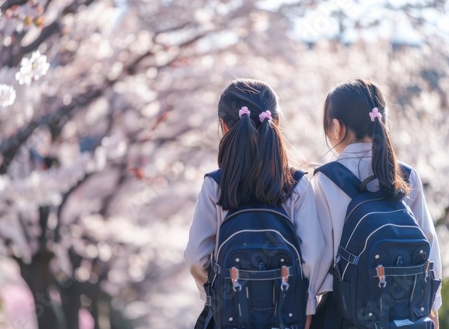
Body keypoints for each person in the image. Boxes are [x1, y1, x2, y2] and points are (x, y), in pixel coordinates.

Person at [184, 78, 326, 329]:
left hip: (231, 314)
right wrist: (307, 309)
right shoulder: (296, 184)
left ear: (223, 126)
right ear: (277, 122)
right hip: (287, 315)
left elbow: (196, 256)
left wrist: (217, 295)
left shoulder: (215, 185)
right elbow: (313, 257)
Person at [310, 79, 442, 328]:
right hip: (405, 313)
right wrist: (431, 308)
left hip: (344, 312)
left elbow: (317, 261)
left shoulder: (326, 179)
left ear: (336, 127)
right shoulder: (405, 175)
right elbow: (429, 245)